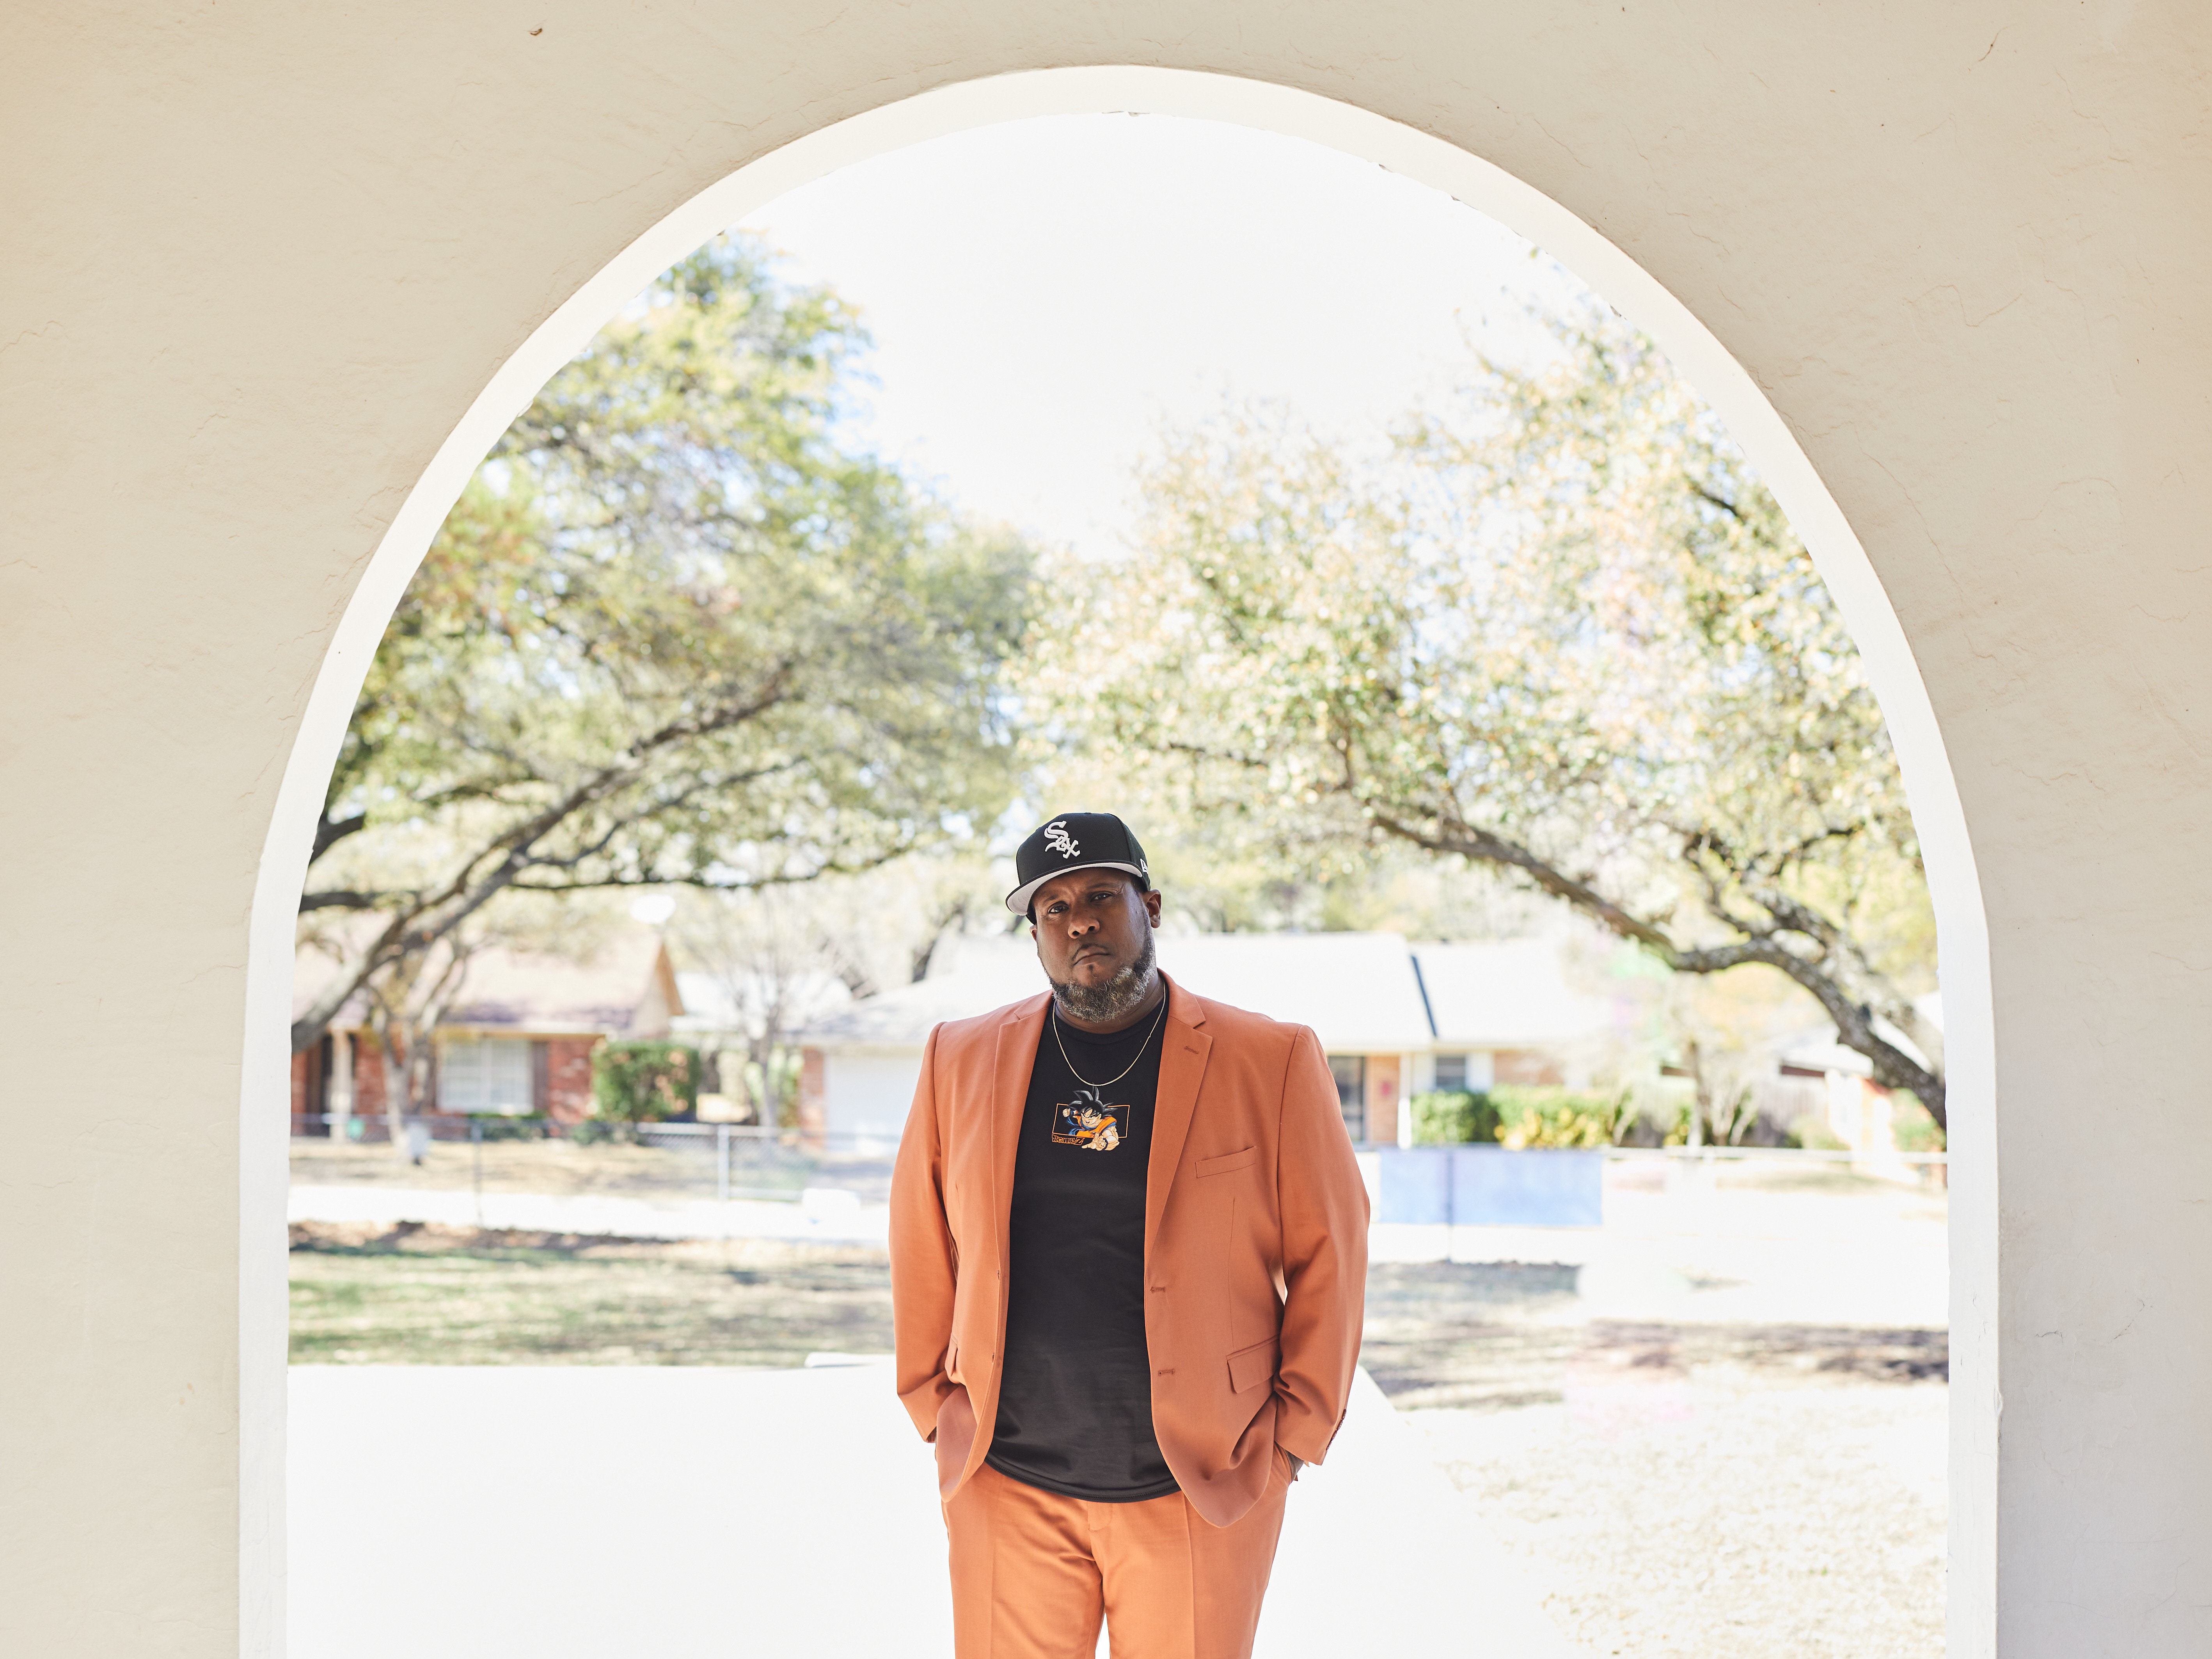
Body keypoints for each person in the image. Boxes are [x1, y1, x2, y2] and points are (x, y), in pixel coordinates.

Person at [890, 811, 1370, 1659]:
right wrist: (935, 1407)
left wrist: (1294, 1438)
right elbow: (920, 1236)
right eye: (1054, 907)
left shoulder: (1271, 1058)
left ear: (1149, 906)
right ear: (1035, 933)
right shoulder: (957, 1057)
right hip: (1006, 1481)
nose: (1079, 920)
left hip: (1198, 1484)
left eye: (1102, 896)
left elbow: (1332, 1250)